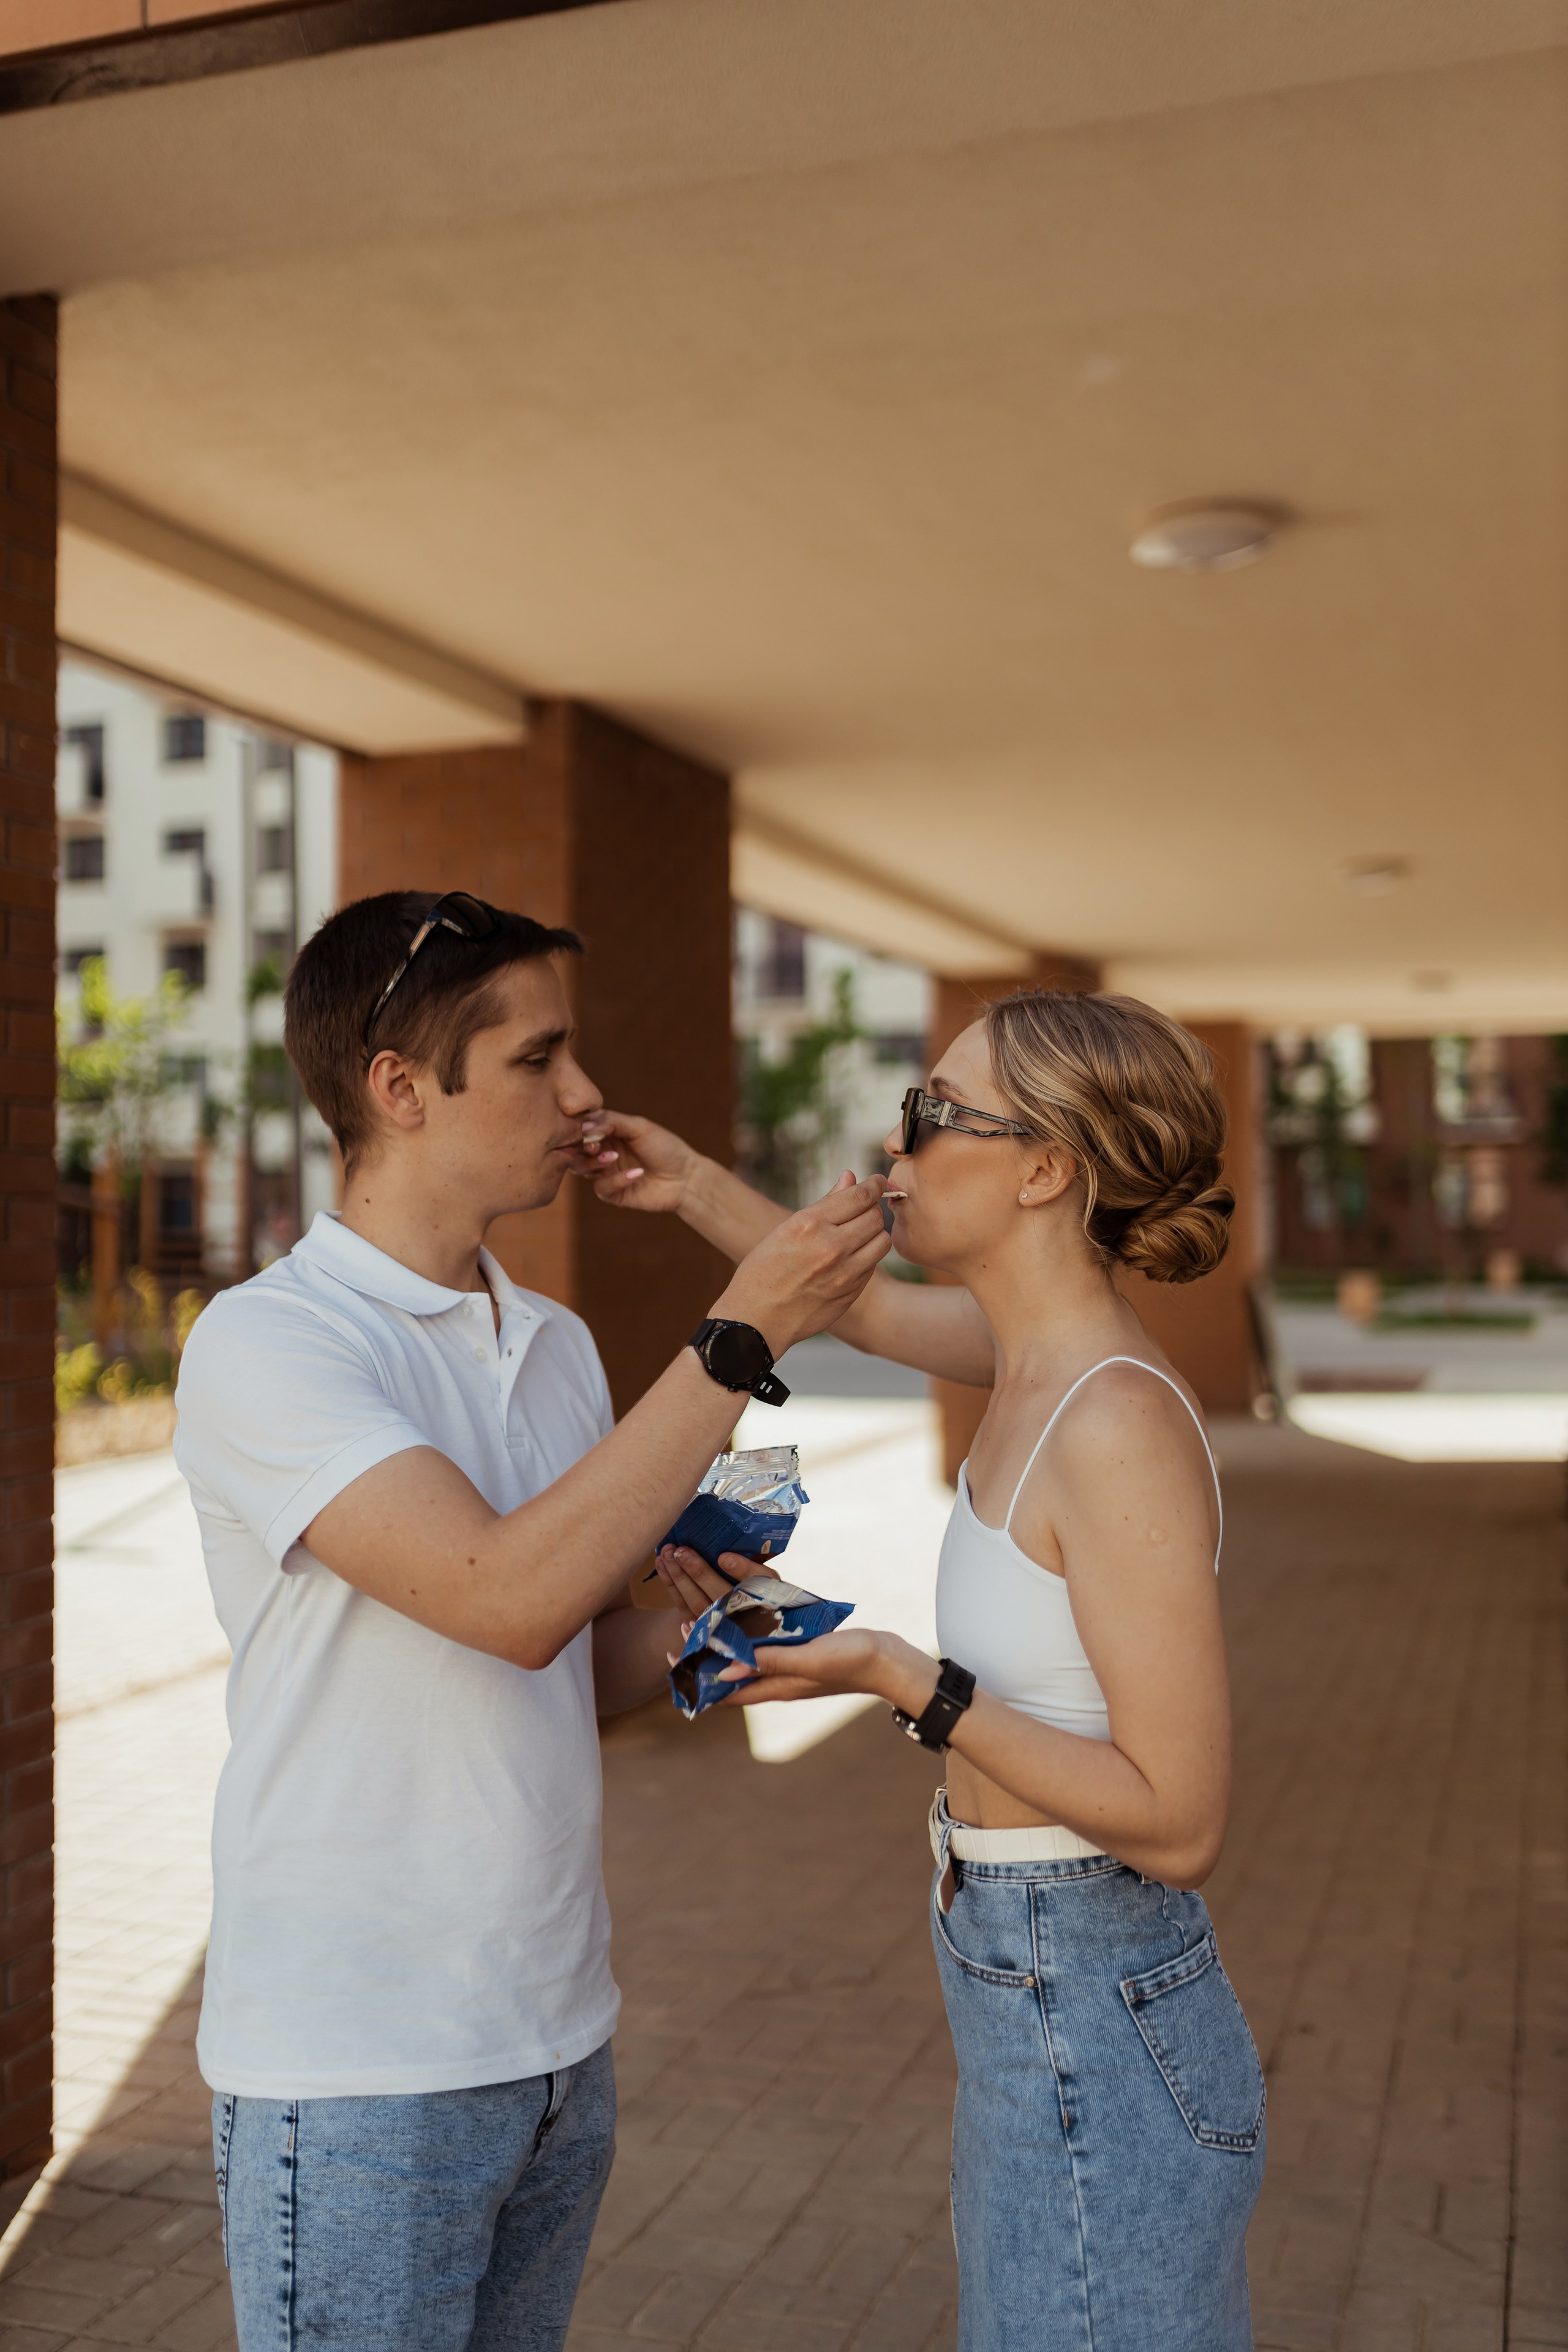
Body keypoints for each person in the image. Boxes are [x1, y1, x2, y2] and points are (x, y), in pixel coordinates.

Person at [173, 889, 889, 2351]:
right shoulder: (270, 1342)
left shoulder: (552, 1341)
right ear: (397, 1088)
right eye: (536, 1060)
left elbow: (568, 1652)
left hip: (557, 2039)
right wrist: (741, 1332)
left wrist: (730, 1641)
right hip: (358, 2066)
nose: (583, 1097)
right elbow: (504, 1598)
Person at [582, 987, 1265, 2352]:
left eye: (929, 1116)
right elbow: (871, 1319)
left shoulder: (1111, 1418)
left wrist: (907, 1678)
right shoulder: (1027, 1360)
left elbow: (1179, 1823)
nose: (891, 1148)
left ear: (1043, 1168)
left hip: (1087, 1985)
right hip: (1021, 1971)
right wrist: (692, 1186)